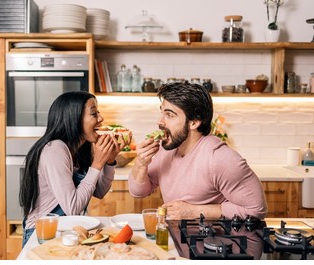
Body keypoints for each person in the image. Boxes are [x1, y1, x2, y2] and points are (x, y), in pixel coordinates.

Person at [128, 82, 267, 221]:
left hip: (214, 240)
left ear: (194, 122)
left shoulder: (220, 159)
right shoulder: (166, 150)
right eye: (162, 113)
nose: (160, 122)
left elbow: (257, 209)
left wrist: (195, 211)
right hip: (178, 236)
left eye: (169, 115)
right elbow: (138, 192)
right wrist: (141, 163)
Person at [20, 91, 129, 247]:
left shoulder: (80, 148)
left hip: (66, 230)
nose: (101, 118)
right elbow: (73, 207)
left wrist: (109, 161)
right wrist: (97, 164)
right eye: (94, 113)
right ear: (74, 119)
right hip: (43, 235)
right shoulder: (55, 150)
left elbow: (99, 191)